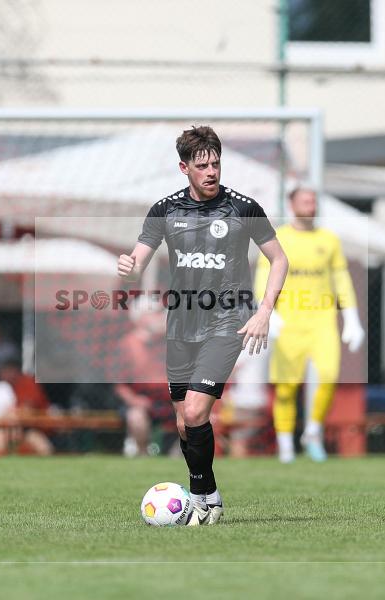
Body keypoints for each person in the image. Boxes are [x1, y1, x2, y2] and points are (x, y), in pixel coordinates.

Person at [117, 125, 288, 525]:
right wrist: (128, 269)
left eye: (216, 163)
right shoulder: (164, 210)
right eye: (202, 165)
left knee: (196, 412)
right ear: (184, 168)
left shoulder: (243, 208)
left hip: (227, 323)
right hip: (180, 326)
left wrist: (264, 310)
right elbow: (137, 262)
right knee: (184, 422)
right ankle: (210, 494)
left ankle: (196, 499)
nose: (211, 171)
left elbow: (279, 259)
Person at [255, 186, 364, 463]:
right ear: (292, 204)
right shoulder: (277, 237)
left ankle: (313, 431)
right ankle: (285, 445)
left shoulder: (329, 240)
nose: (310, 205)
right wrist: (268, 312)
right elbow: (262, 276)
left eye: (313, 200)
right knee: (287, 387)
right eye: (305, 200)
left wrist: (351, 317)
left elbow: (341, 279)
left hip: (323, 321)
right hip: (289, 323)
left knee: (328, 376)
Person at [113, 295, 172, 457]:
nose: (162, 316)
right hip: (142, 401)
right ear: (141, 318)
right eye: (157, 312)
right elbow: (119, 383)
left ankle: (179, 457)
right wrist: (134, 400)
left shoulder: (169, 342)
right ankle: (142, 453)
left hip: (170, 401)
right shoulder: (127, 345)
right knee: (136, 417)